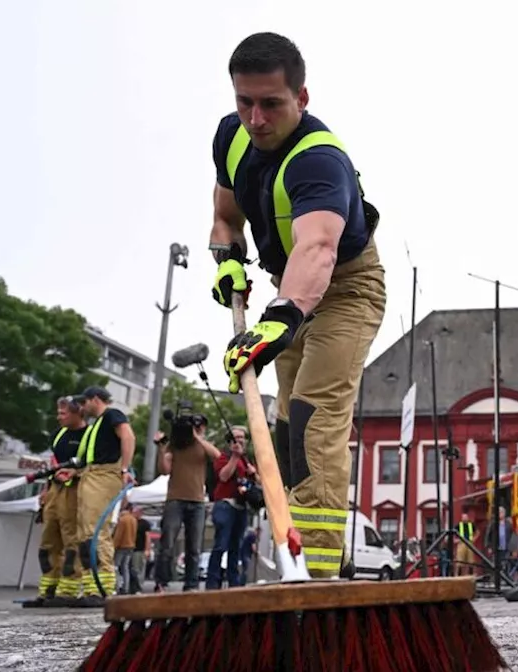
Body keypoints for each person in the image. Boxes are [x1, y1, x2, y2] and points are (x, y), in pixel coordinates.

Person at [210, 31, 386, 579]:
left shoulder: (319, 161)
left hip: (346, 289)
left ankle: (320, 574)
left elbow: (318, 248)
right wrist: (228, 260)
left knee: (313, 416)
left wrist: (279, 320)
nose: (256, 118)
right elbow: (225, 215)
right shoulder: (232, 138)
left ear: (301, 98)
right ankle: (295, 559)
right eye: (245, 102)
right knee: (285, 432)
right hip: (286, 285)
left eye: (271, 104)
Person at [73, 386, 135, 603]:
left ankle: (103, 587)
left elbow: (128, 436)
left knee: (95, 530)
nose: (83, 407)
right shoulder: (96, 424)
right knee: (84, 533)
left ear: (96, 399)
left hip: (103, 475)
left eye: (85, 402)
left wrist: (125, 469)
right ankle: (91, 586)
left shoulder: (112, 415)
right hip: (90, 476)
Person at [33, 395, 87, 606]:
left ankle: (68, 591)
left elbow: (95, 463)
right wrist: (46, 490)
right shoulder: (58, 435)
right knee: (48, 542)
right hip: (54, 490)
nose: (59, 417)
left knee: (71, 540)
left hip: (75, 491)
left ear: (77, 412)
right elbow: (53, 462)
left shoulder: (89, 435)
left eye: (63, 413)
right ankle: (47, 590)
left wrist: (75, 472)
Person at [155, 422, 220, 592]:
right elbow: (164, 470)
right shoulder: (175, 445)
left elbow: (217, 456)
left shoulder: (202, 447)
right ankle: (161, 582)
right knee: (167, 542)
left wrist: (197, 437)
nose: (196, 429)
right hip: (175, 499)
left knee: (194, 546)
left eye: (199, 427)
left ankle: (191, 584)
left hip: (197, 500)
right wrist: (161, 449)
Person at [207, 425, 255, 589]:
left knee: (236, 547)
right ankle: (212, 582)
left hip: (241, 507)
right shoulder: (224, 457)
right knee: (221, 544)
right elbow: (223, 476)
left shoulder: (246, 460)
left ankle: (234, 582)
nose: (240, 440)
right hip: (225, 505)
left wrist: (253, 473)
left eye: (243, 437)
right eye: (236, 437)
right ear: (229, 441)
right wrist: (234, 457)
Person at [112, 502, 139, 594]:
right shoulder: (133, 519)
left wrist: (113, 546)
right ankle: (126, 588)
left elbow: (118, 535)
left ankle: (116, 586)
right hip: (131, 546)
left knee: (115, 566)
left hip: (121, 546)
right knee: (125, 567)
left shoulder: (122, 519)